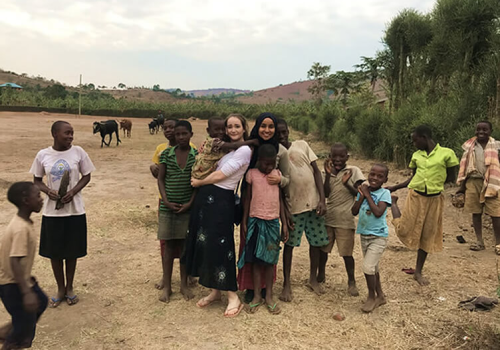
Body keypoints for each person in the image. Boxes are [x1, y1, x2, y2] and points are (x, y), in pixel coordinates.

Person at [183, 114, 252, 318]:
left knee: (222, 246)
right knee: (207, 244)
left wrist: (199, 182)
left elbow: (223, 175)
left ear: (244, 128)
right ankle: (215, 290)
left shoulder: (245, 150)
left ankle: (232, 296)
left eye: (236, 126)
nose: (232, 130)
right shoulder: (224, 147)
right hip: (208, 199)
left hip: (221, 199)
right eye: (229, 127)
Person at [30, 121, 95, 307]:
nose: (70, 137)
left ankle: (70, 287)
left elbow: (87, 175)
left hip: (75, 211)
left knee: (72, 251)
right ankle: (60, 288)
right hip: (53, 213)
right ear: (54, 134)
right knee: (55, 252)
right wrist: (47, 191)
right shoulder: (43, 155)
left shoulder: (78, 152)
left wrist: (73, 192)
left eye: (72, 133)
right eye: (66, 133)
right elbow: (36, 180)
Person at [389, 125, 459, 285]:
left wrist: (436, 185)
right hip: (416, 197)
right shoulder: (416, 156)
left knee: (427, 235)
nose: (414, 144)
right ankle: (393, 205)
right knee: (404, 229)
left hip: (434, 200)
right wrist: (395, 187)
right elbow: (413, 179)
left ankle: (418, 272)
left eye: (415, 140)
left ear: (424, 137)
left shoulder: (447, 154)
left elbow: (450, 177)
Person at [237, 112, 291, 304]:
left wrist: (280, 179)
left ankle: (266, 291)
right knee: (250, 252)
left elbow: (287, 180)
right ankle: (251, 290)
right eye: (263, 126)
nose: (267, 130)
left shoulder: (281, 151)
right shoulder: (249, 147)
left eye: (271, 127)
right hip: (251, 210)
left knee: (268, 255)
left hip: (271, 214)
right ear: (257, 127)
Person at [275, 119, 327, 302]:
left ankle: (313, 278)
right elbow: (278, 187)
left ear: (288, 131)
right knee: (289, 245)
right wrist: (284, 212)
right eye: (278, 133)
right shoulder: (275, 153)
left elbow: (316, 172)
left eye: (284, 132)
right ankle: (286, 284)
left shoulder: (302, 144)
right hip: (293, 207)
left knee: (316, 243)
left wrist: (322, 199)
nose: (281, 136)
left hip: (313, 203)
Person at [150, 118, 196, 290]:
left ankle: (184, 284)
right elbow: (160, 179)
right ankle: (167, 285)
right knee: (168, 246)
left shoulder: (195, 156)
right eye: (178, 134)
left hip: (187, 208)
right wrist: (166, 201)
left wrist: (190, 203)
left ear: (191, 134)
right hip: (167, 208)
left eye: (184, 134)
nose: (181, 137)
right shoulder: (166, 155)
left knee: (184, 245)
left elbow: (196, 183)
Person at [0, 182, 47, 349]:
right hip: (11, 285)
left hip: (15, 280)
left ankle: (6, 331)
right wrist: (26, 292)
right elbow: (14, 260)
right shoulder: (20, 229)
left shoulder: (23, 222)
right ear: (26, 201)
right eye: (38, 196)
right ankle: (11, 342)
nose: (42, 199)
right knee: (23, 330)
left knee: (41, 301)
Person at [321, 143, 365, 296]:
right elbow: (325, 194)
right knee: (323, 251)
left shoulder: (353, 171)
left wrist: (347, 184)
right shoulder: (326, 172)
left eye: (342, 156)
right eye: (335, 156)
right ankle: (321, 275)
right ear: (330, 157)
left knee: (347, 254)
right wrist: (327, 175)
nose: (338, 159)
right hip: (328, 218)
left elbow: (359, 193)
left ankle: (351, 281)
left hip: (345, 220)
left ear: (348, 157)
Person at [352, 164, 391, 313]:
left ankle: (371, 296)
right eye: (372, 174)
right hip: (364, 235)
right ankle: (380, 295)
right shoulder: (362, 192)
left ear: (385, 179)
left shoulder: (384, 194)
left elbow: (378, 212)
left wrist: (367, 195)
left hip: (378, 236)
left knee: (368, 267)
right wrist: (361, 196)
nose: (374, 178)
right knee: (373, 267)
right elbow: (354, 211)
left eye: (379, 176)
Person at [456, 121, 500, 254]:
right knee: (476, 212)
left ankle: (498, 243)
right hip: (473, 182)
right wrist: (462, 187)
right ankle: (479, 241)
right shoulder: (470, 147)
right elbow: (465, 168)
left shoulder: (497, 146)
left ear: (490, 131)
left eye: (485, 129)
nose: (481, 132)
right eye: (478, 129)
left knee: (496, 213)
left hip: (492, 183)